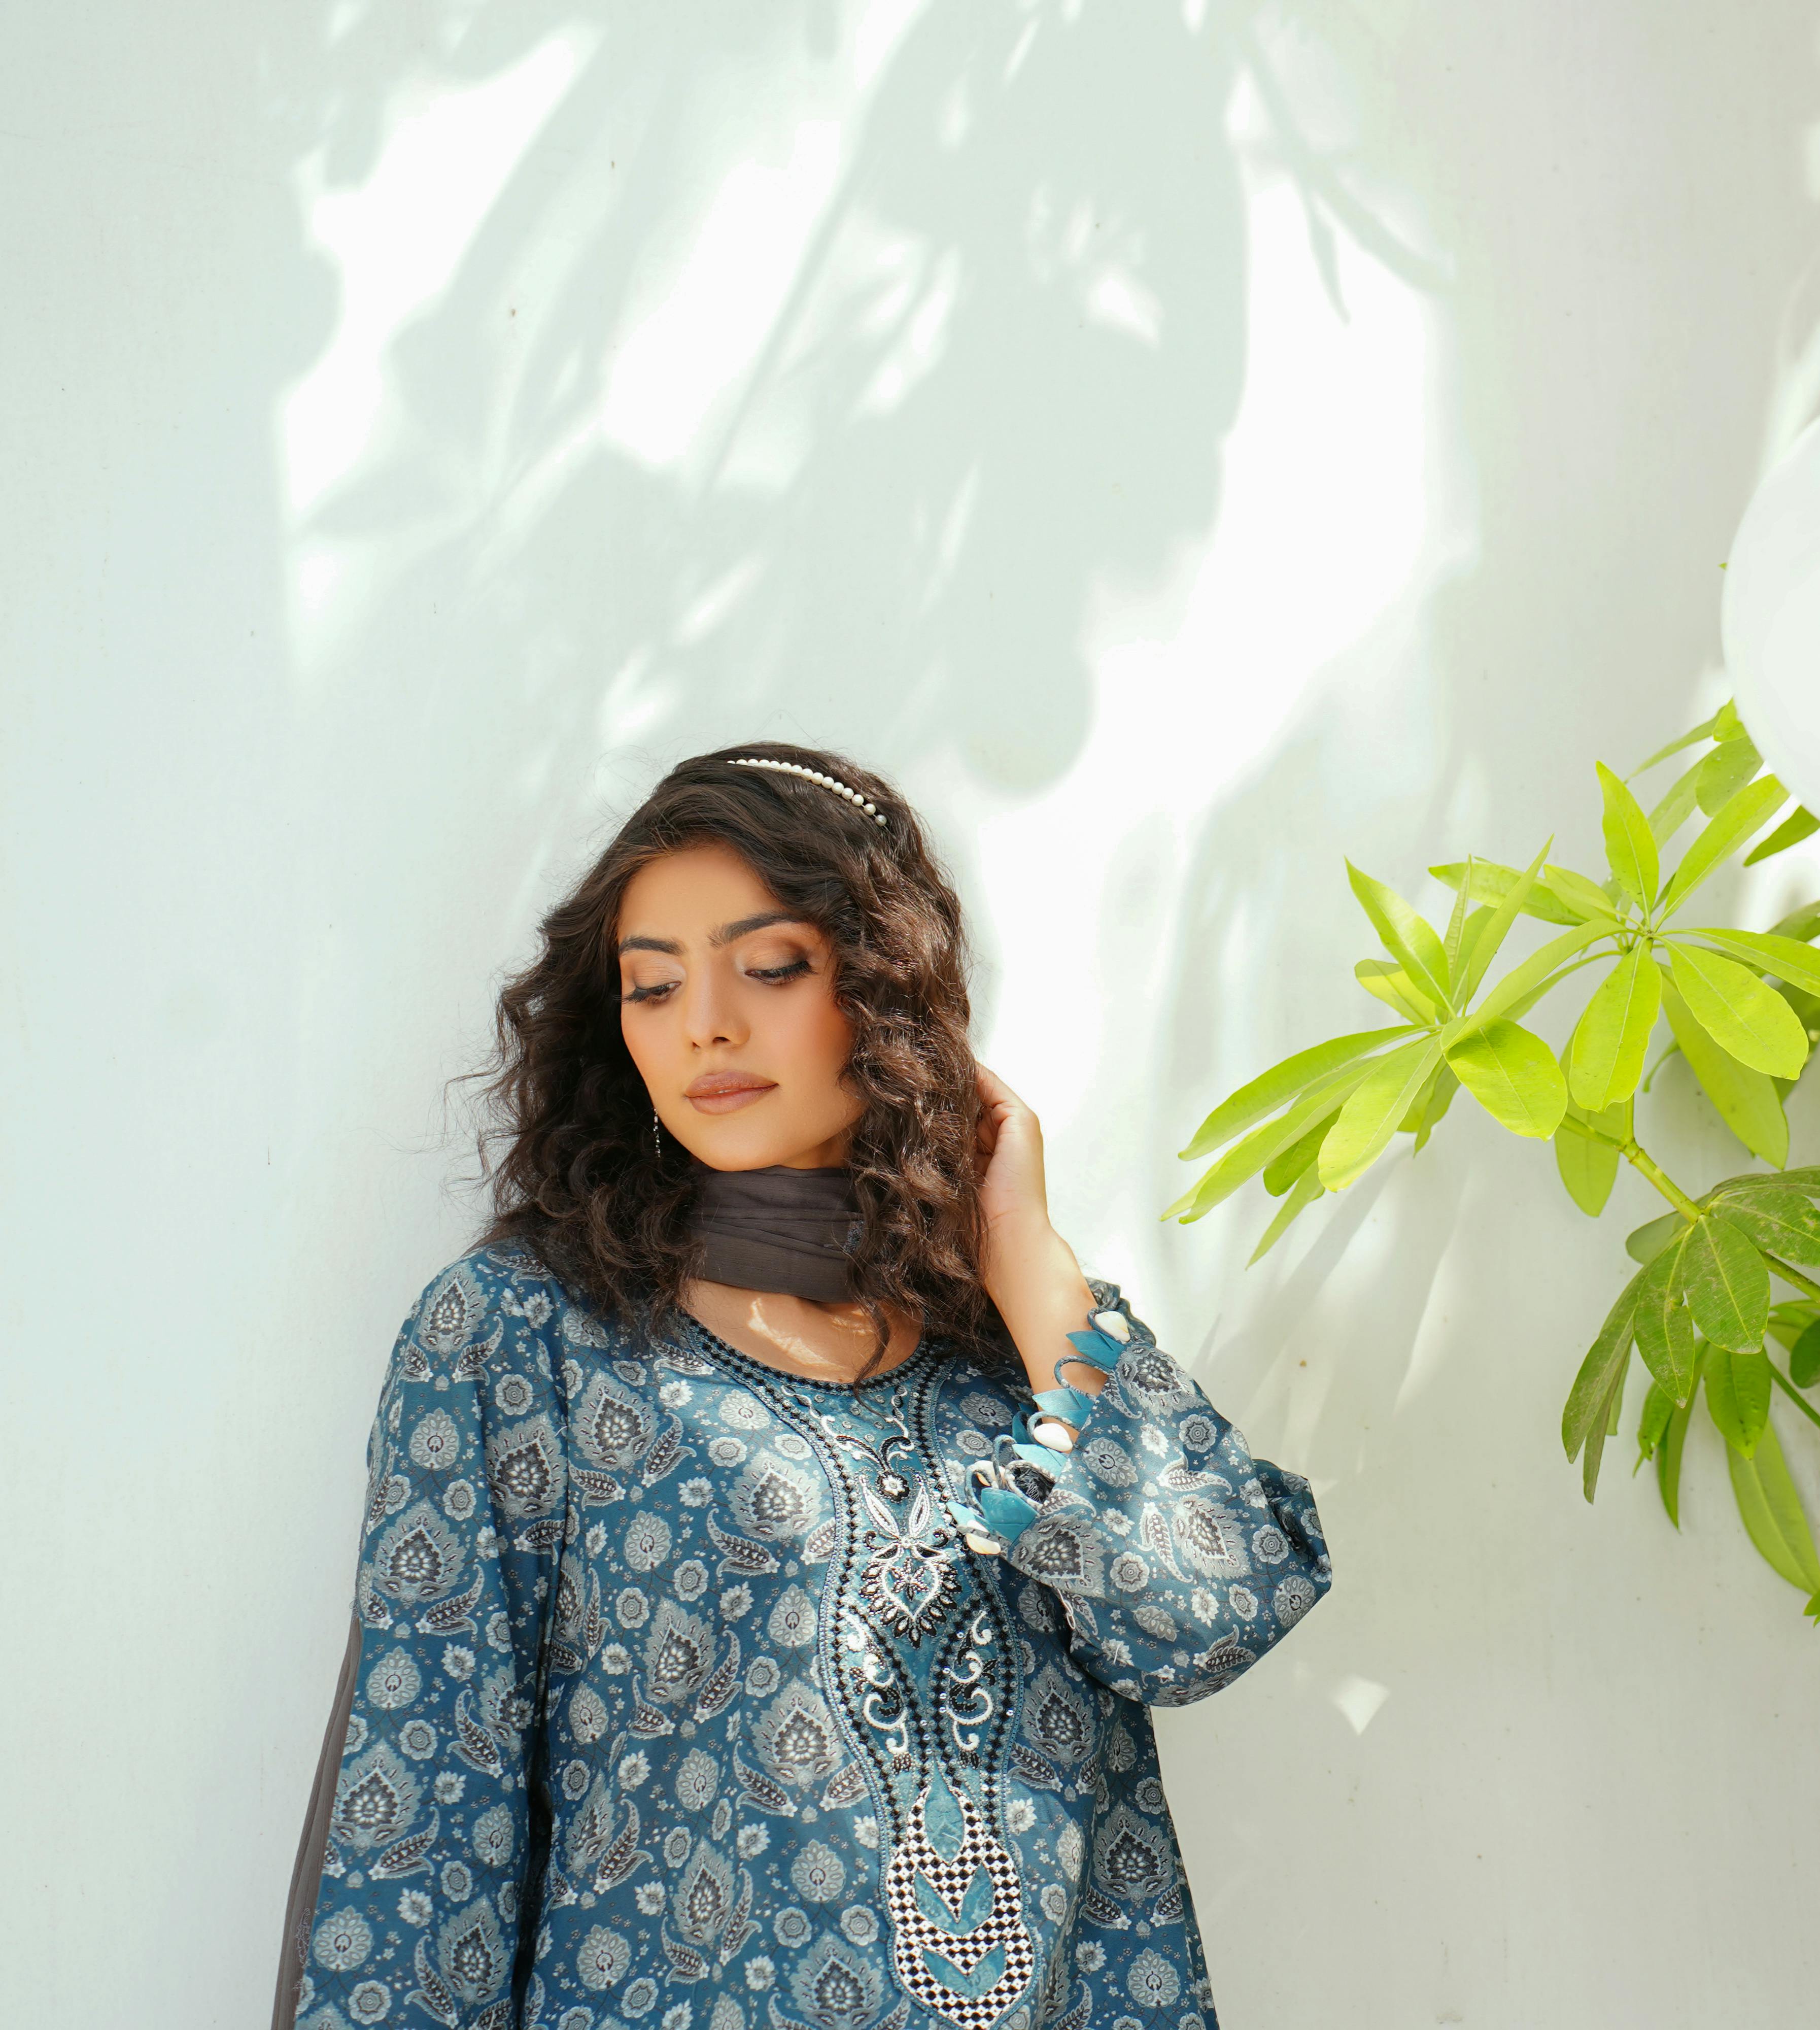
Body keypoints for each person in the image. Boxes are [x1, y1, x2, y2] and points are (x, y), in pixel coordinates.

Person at [274, 742, 1330, 2030]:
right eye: (652, 986)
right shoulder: (523, 1336)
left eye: (768, 967)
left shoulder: (1015, 1344)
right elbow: (423, 1822)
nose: (705, 1021)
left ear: (884, 988)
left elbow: (1211, 1613)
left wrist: (1030, 1262)